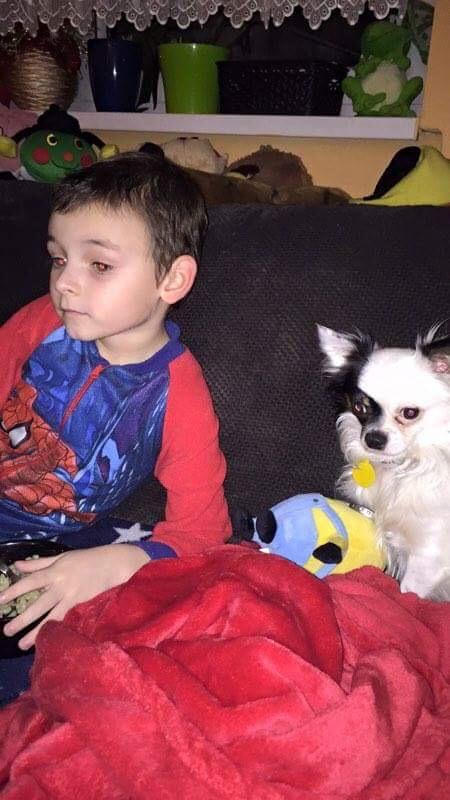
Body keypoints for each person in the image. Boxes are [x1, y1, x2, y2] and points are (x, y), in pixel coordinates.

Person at [0, 150, 231, 701]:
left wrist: (113, 564)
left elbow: (203, 531)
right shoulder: (39, 323)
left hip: (49, 552)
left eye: (98, 265)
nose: (65, 283)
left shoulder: (178, 394)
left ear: (172, 279)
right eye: (59, 259)